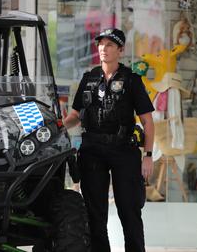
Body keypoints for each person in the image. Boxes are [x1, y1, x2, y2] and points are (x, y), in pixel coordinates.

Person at [63, 28, 155, 252]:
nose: (104, 49)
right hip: (92, 149)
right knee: (95, 213)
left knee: (129, 210)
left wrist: (148, 156)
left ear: (121, 50)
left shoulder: (132, 80)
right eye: (101, 44)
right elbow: (74, 117)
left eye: (110, 45)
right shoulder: (89, 78)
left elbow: (148, 122)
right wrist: (56, 127)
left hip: (123, 149)